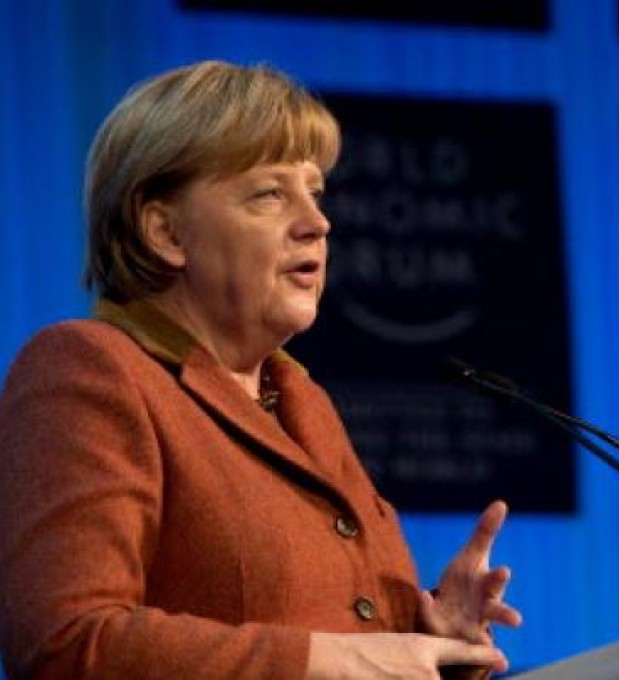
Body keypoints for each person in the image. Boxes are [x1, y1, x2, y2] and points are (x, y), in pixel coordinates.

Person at [0, 60, 521, 678]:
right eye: (271, 194)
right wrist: (327, 661)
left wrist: (433, 635)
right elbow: (63, 642)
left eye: (315, 192)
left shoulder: (302, 399)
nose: (318, 223)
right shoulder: (91, 371)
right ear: (166, 231)